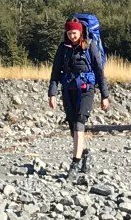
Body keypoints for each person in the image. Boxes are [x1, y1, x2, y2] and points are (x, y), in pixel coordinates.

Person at [47, 18, 110, 176]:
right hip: (68, 90)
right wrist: (52, 93)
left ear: (80, 32)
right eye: (69, 33)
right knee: (72, 126)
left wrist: (105, 95)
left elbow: (99, 71)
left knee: (79, 123)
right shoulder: (63, 48)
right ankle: (85, 154)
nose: (71, 36)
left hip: (86, 90)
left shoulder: (90, 46)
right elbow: (56, 72)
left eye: (74, 33)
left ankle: (75, 163)